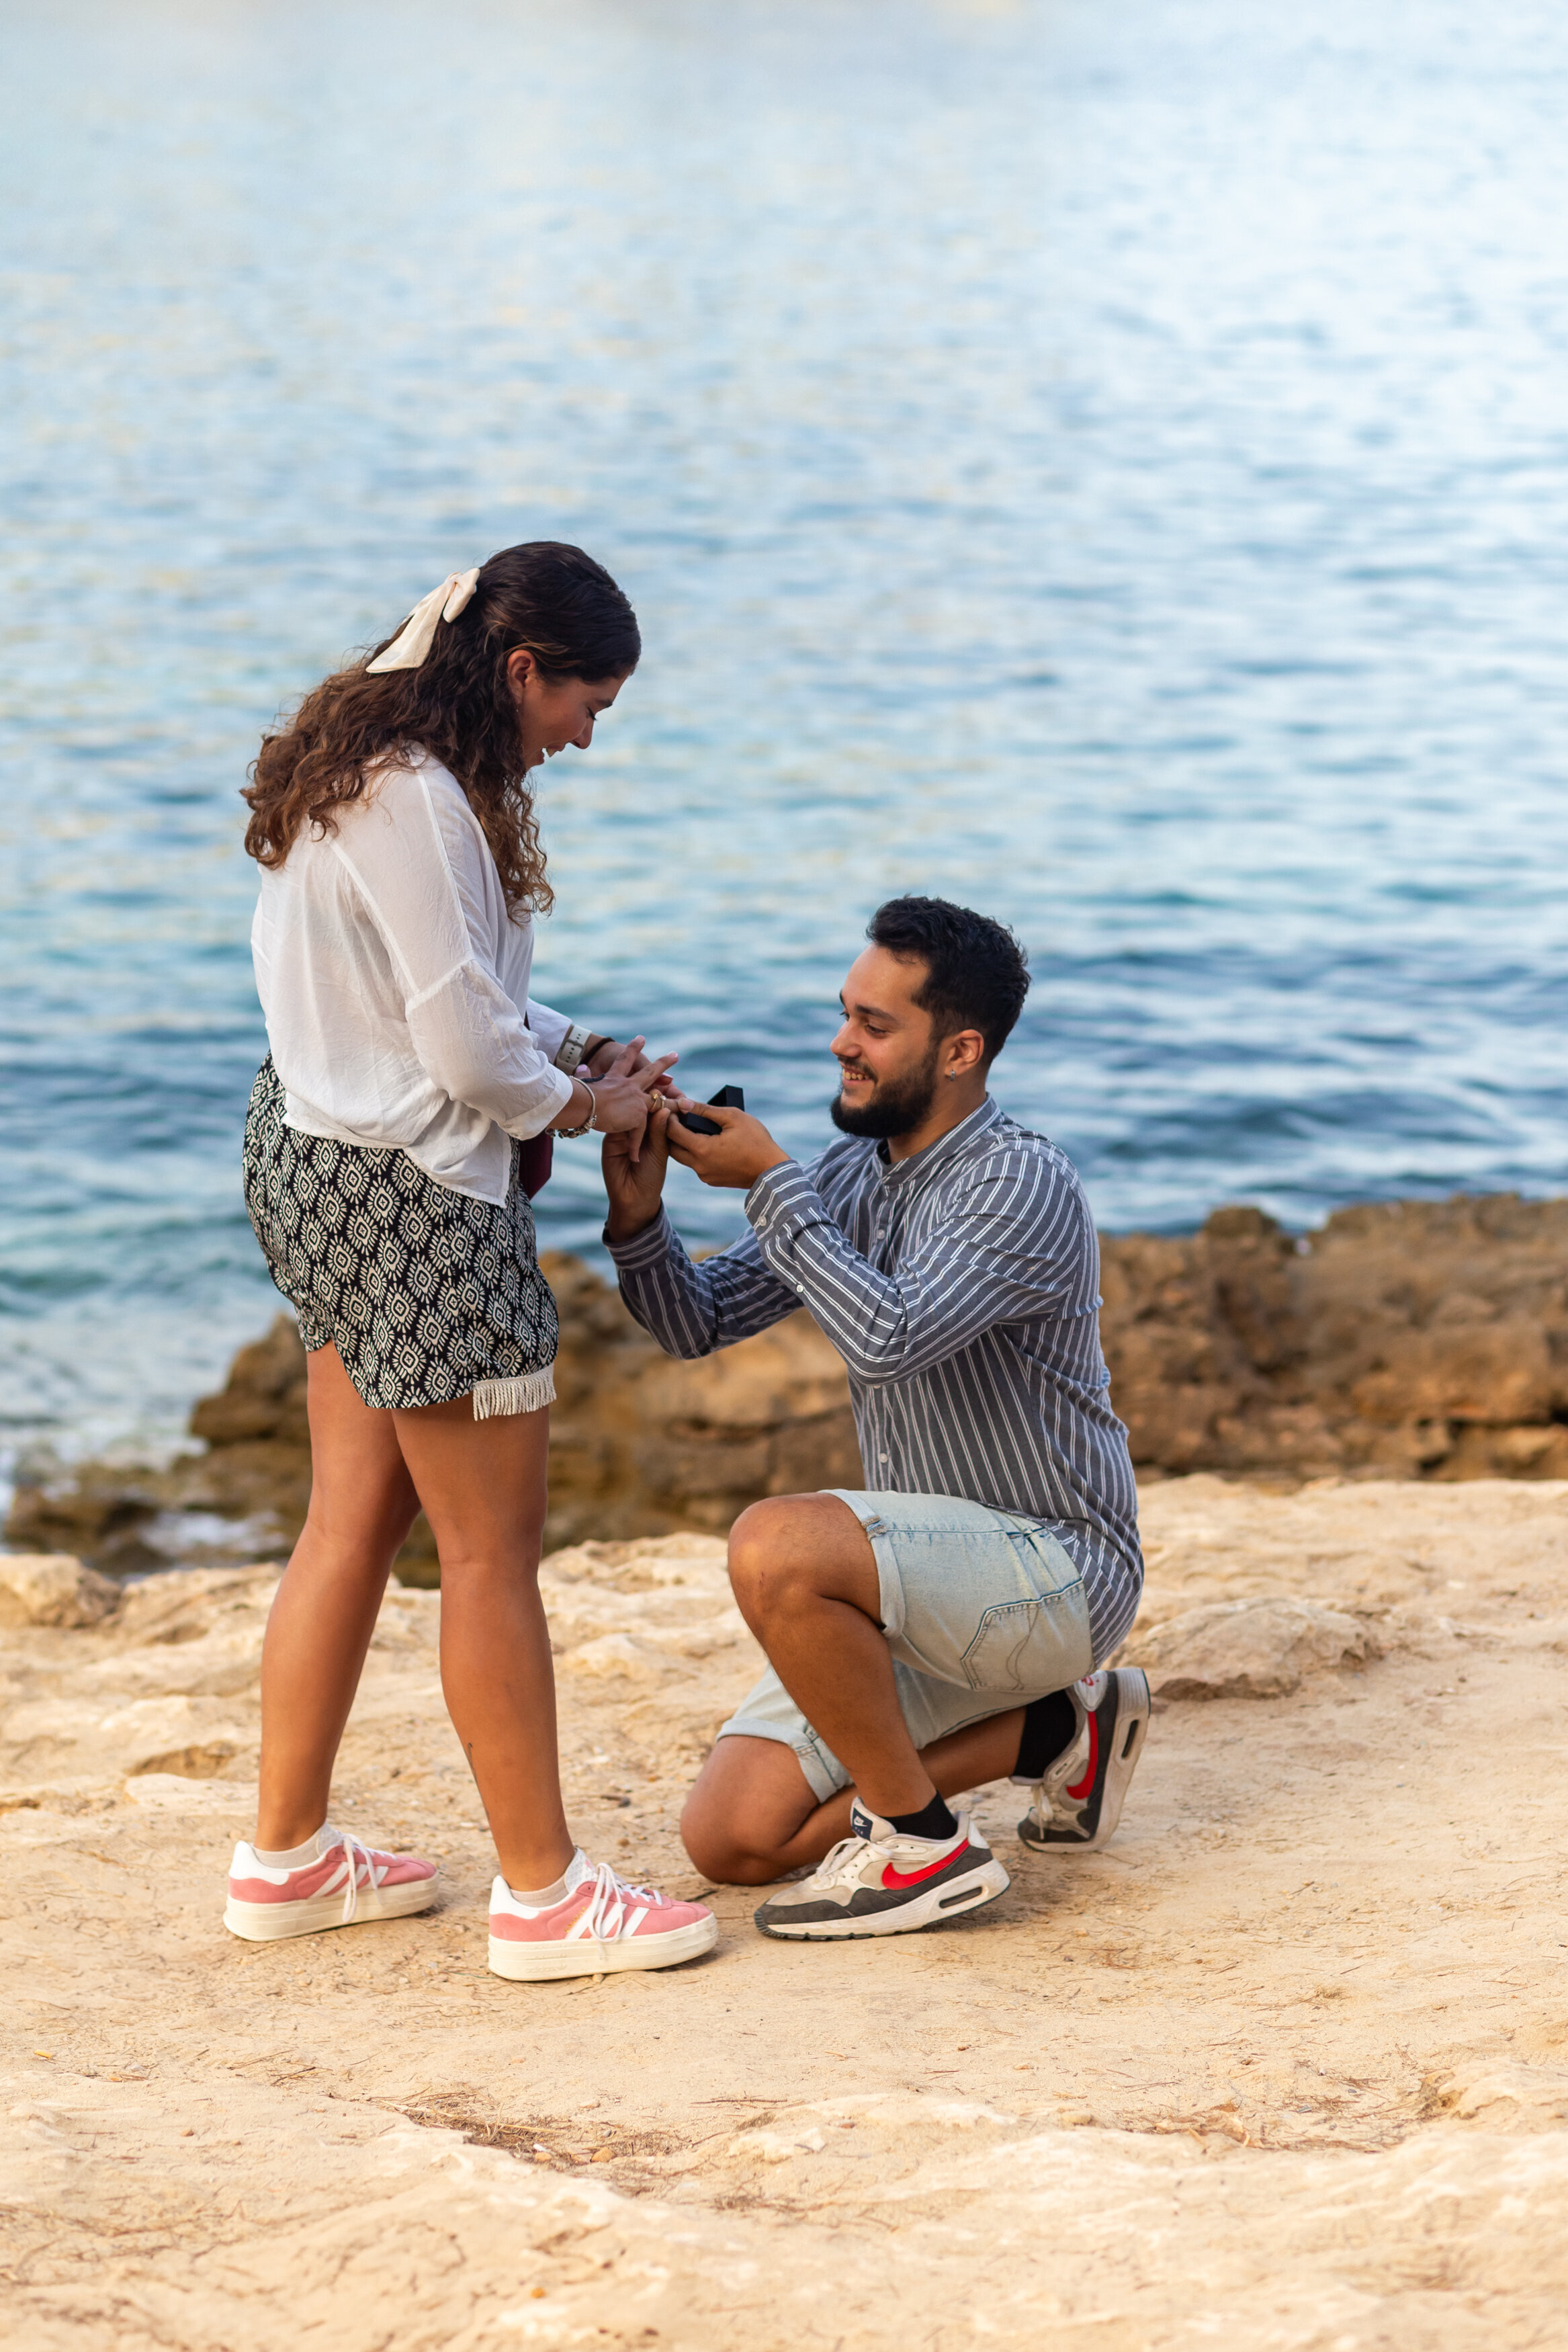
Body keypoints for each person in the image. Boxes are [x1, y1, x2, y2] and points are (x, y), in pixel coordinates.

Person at [226, 544, 715, 1981]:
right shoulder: (428, 801)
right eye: (587, 704)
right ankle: (545, 1893)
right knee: (492, 1555)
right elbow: (460, 1053)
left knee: (352, 1523)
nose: (584, 736)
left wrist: (567, 1046)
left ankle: (287, 1856)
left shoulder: (365, 761)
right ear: (520, 672)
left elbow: (448, 998)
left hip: (317, 1160)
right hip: (420, 1202)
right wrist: (600, 1104)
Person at [601, 896, 1149, 1942]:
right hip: (914, 1591)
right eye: (845, 1013)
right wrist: (638, 1219)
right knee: (731, 1840)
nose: (840, 1044)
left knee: (777, 1545)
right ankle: (1055, 1733)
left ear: (960, 1050)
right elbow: (698, 1321)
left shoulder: (1018, 1181)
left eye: (874, 1026)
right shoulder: (854, 1170)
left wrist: (770, 1184)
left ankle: (920, 1842)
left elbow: (890, 1336)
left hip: (1055, 1574)